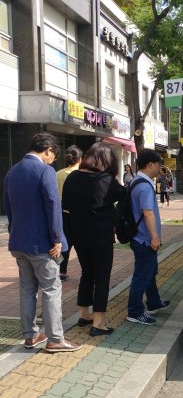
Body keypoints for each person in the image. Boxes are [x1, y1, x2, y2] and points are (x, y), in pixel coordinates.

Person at [3, 133, 82, 353]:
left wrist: (13, 231)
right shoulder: (44, 171)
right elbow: (53, 205)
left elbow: (8, 206)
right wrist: (57, 237)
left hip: (19, 242)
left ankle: (30, 336)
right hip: (42, 244)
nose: (52, 161)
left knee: (27, 289)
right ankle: (55, 339)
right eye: (52, 156)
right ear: (47, 149)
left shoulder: (12, 171)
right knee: (51, 289)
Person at [62, 142, 126, 336]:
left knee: (87, 273)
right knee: (102, 278)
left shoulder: (72, 178)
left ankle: (84, 314)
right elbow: (123, 193)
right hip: (101, 237)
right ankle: (98, 323)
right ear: (108, 162)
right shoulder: (106, 179)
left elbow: (66, 203)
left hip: (79, 236)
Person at [127, 149, 170, 325]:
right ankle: (135, 311)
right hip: (144, 238)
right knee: (142, 275)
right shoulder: (144, 186)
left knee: (150, 272)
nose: (160, 168)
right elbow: (148, 213)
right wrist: (154, 237)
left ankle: (153, 302)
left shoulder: (136, 181)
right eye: (159, 164)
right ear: (150, 164)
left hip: (140, 237)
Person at [56, 145, 83, 281]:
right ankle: (86, 269)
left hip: (61, 213)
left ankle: (61, 270)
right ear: (80, 159)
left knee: (64, 243)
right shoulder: (82, 174)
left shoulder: (58, 174)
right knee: (81, 243)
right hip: (79, 214)